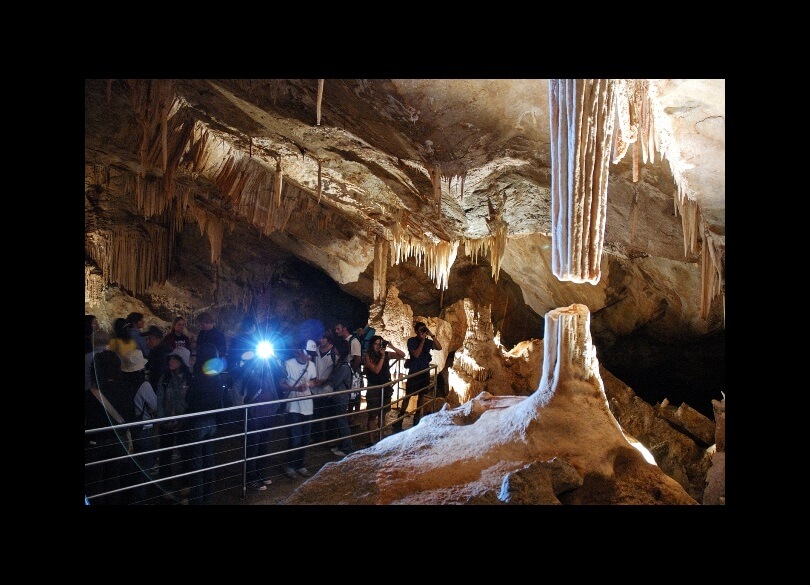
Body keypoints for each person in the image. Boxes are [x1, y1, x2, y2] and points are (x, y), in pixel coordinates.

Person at [85, 350, 138, 505]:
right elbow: (130, 416)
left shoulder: (90, 394)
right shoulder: (127, 388)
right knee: (114, 482)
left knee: (95, 485)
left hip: (96, 443)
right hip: (119, 441)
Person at [184, 342, 226, 504]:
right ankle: (207, 497)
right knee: (208, 460)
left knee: (197, 463)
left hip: (198, 421)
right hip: (212, 421)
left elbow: (189, 399)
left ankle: (197, 499)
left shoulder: (199, 377)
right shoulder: (217, 375)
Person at [239, 349, 283, 491]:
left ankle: (260, 473)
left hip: (268, 412)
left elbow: (283, 374)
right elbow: (246, 382)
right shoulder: (250, 368)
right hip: (254, 413)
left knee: (264, 445)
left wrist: (274, 358)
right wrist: (252, 363)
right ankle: (251, 478)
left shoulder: (270, 367)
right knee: (253, 446)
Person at [120, 348, 159, 503]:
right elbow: (155, 405)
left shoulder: (121, 384)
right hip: (142, 430)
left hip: (126, 431)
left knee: (128, 468)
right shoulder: (144, 385)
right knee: (143, 468)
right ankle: (140, 499)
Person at [155, 349, 192, 491]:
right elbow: (159, 400)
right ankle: (166, 487)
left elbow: (190, 401)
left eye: (175, 359)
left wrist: (184, 420)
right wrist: (162, 419)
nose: (171, 361)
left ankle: (185, 484)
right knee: (165, 455)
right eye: (170, 358)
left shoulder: (189, 379)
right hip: (167, 422)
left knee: (185, 453)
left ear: (182, 361)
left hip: (183, 423)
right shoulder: (164, 379)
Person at [394, 321, 442, 431]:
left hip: (424, 373)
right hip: (414, 372)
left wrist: (431, 335)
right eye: (420, 330)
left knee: (421, 396)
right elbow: (416, 354)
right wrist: (423, 341)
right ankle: (400, 419)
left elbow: (439, 348)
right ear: (416, 331)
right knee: (408, 396)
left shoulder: (428, 341)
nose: (422, 332)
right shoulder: (411, 341)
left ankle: (417, 418)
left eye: (423, 330)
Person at [279, 342, 317, 479]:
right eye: (309, 354)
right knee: (295, 438)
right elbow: (281, 384)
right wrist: (295, 389)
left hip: (308, 405)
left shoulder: (311, 365)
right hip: (293, 406)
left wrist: (310, 384)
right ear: (300, 351)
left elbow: (314, 380)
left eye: (312, 354)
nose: (311, 357)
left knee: (305, 439)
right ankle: (290, 465)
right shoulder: (288, 364)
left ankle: (300, 465)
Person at [364, 335, 405, 443]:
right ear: (372, 345)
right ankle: (371, 440)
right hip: (374, 387)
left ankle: (381, 437)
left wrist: (392, 346)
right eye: (375, 344)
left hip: (385, 388)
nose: (378, 346)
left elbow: (402, 355)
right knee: (372, 415)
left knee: (383, 413)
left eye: (380, 344)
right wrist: (382, 357)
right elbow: (376, 370)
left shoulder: (386, 354)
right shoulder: (368, 356)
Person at [324, 337, 354, 457]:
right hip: (340, 397)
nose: (334, 350)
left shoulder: (343, 367)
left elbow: (335, 381)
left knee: (342, 423)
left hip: (341, 397)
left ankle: (347, 448)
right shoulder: (342, 364)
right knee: (340, 422)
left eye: (335, 348)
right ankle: (343, 445)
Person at [310, 335, 337, 443]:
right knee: (316, 413)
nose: (321, 340)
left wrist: (324, 381)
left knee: (328, 414)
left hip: (327, 389)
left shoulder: (334, 353)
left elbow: (335, 369)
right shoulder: (315, 350)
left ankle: (330, 439)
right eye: (320, 338)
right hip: (315, 388)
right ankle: (316, 435)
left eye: (324, 338)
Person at [334, 321, 363, 422]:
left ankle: (355, 418)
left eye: (338, 328)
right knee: (350, 394)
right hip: (347, 369)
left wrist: (352, 371)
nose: (336, 331)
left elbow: (358, 358)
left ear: (344, 328)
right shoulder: (344, 341)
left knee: (354, 395)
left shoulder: (353, 341)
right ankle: (350, 417)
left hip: (351, 370)